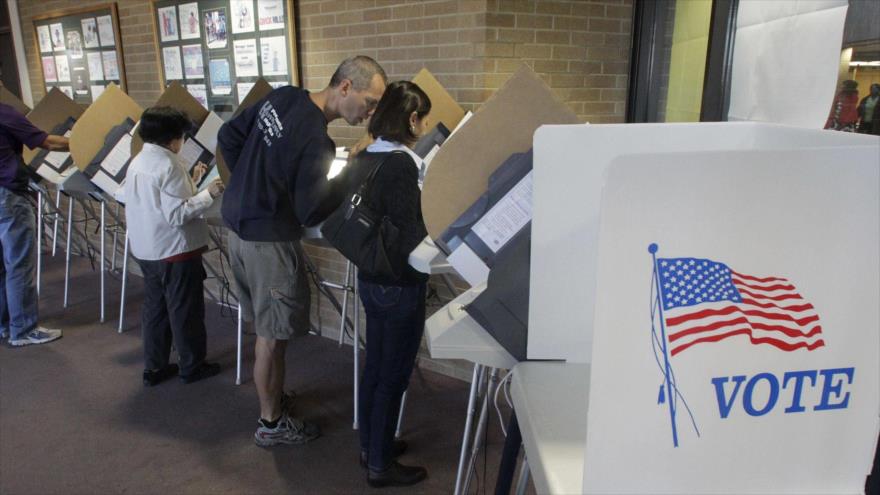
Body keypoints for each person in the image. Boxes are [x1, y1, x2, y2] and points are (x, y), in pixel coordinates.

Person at [218, 55, 387, 447]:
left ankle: (272, 402)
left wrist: (251, 180)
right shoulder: (317, 139)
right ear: (345, 87)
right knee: (272, 337)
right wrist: (352, 169)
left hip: (238, 230)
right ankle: (271, 424)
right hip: (267, 242)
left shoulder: (284, 97)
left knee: (267, 331)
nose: (371, 113)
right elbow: (311, 208)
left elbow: (228, 137)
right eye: (370, 101)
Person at [339, 81, 431, 488]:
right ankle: (380, 464)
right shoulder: (402, 164)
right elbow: (411, 231)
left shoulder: (364, 155)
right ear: (411, 119)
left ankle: (370, 446)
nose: (424, 126)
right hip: (400, 281)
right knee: (393, 374)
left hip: (371, 277)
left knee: (375, 366)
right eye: (422, 118)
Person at [122, 107, 225, 386]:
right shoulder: (169, 164)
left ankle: (154, 368)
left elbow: (157, 201)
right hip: (175, 251)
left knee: (156, 309)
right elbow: (177, 214)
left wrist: (191, 181)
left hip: (147, 248)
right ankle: (192, 366)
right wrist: (208, 193)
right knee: (185, 310)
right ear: (172, 139)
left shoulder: (139, 160)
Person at [0, 100, 68, 346]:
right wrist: (83, 143)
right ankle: (24, 329)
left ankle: (6, 325)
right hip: (7, 196)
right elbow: (46, 142)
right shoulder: (3, 111)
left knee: (2, 266)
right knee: (19, 264)